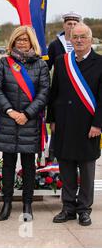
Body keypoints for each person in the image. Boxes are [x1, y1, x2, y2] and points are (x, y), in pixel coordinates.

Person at [0, 26, 50, 222]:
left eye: (25, 39)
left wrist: (26, 114)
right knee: (7, 165)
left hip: (29, 122)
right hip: (8, 121)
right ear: (13, 42)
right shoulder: (4, 63)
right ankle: (6, 203)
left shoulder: (41, 65)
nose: (22, 42)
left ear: (32, 41)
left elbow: (44, 93)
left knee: (28, 167)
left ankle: (27, 204)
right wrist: (11, 111)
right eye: (19, 39)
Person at [48, 23, 102, 227]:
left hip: (89, 126)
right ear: (70, 40)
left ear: (91, 40)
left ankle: (84, 209)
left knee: (87, 170)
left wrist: (98, 124)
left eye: (83, 37)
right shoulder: (62, 62)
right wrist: (51, 119)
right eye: (75, 37)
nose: (79, 40)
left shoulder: (100, 62)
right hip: (64, 124)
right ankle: (68, 207)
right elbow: (55, 93)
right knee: (67, 168)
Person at [45, 12, 82, 163]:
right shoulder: (55, 45)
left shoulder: (80, 43)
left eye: (74, 24)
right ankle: (52, 162)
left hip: (80, 92)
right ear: (64, 25)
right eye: (69, 24)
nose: (72, 26)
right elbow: (46, 67)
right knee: (57, 129)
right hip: (61, 92)